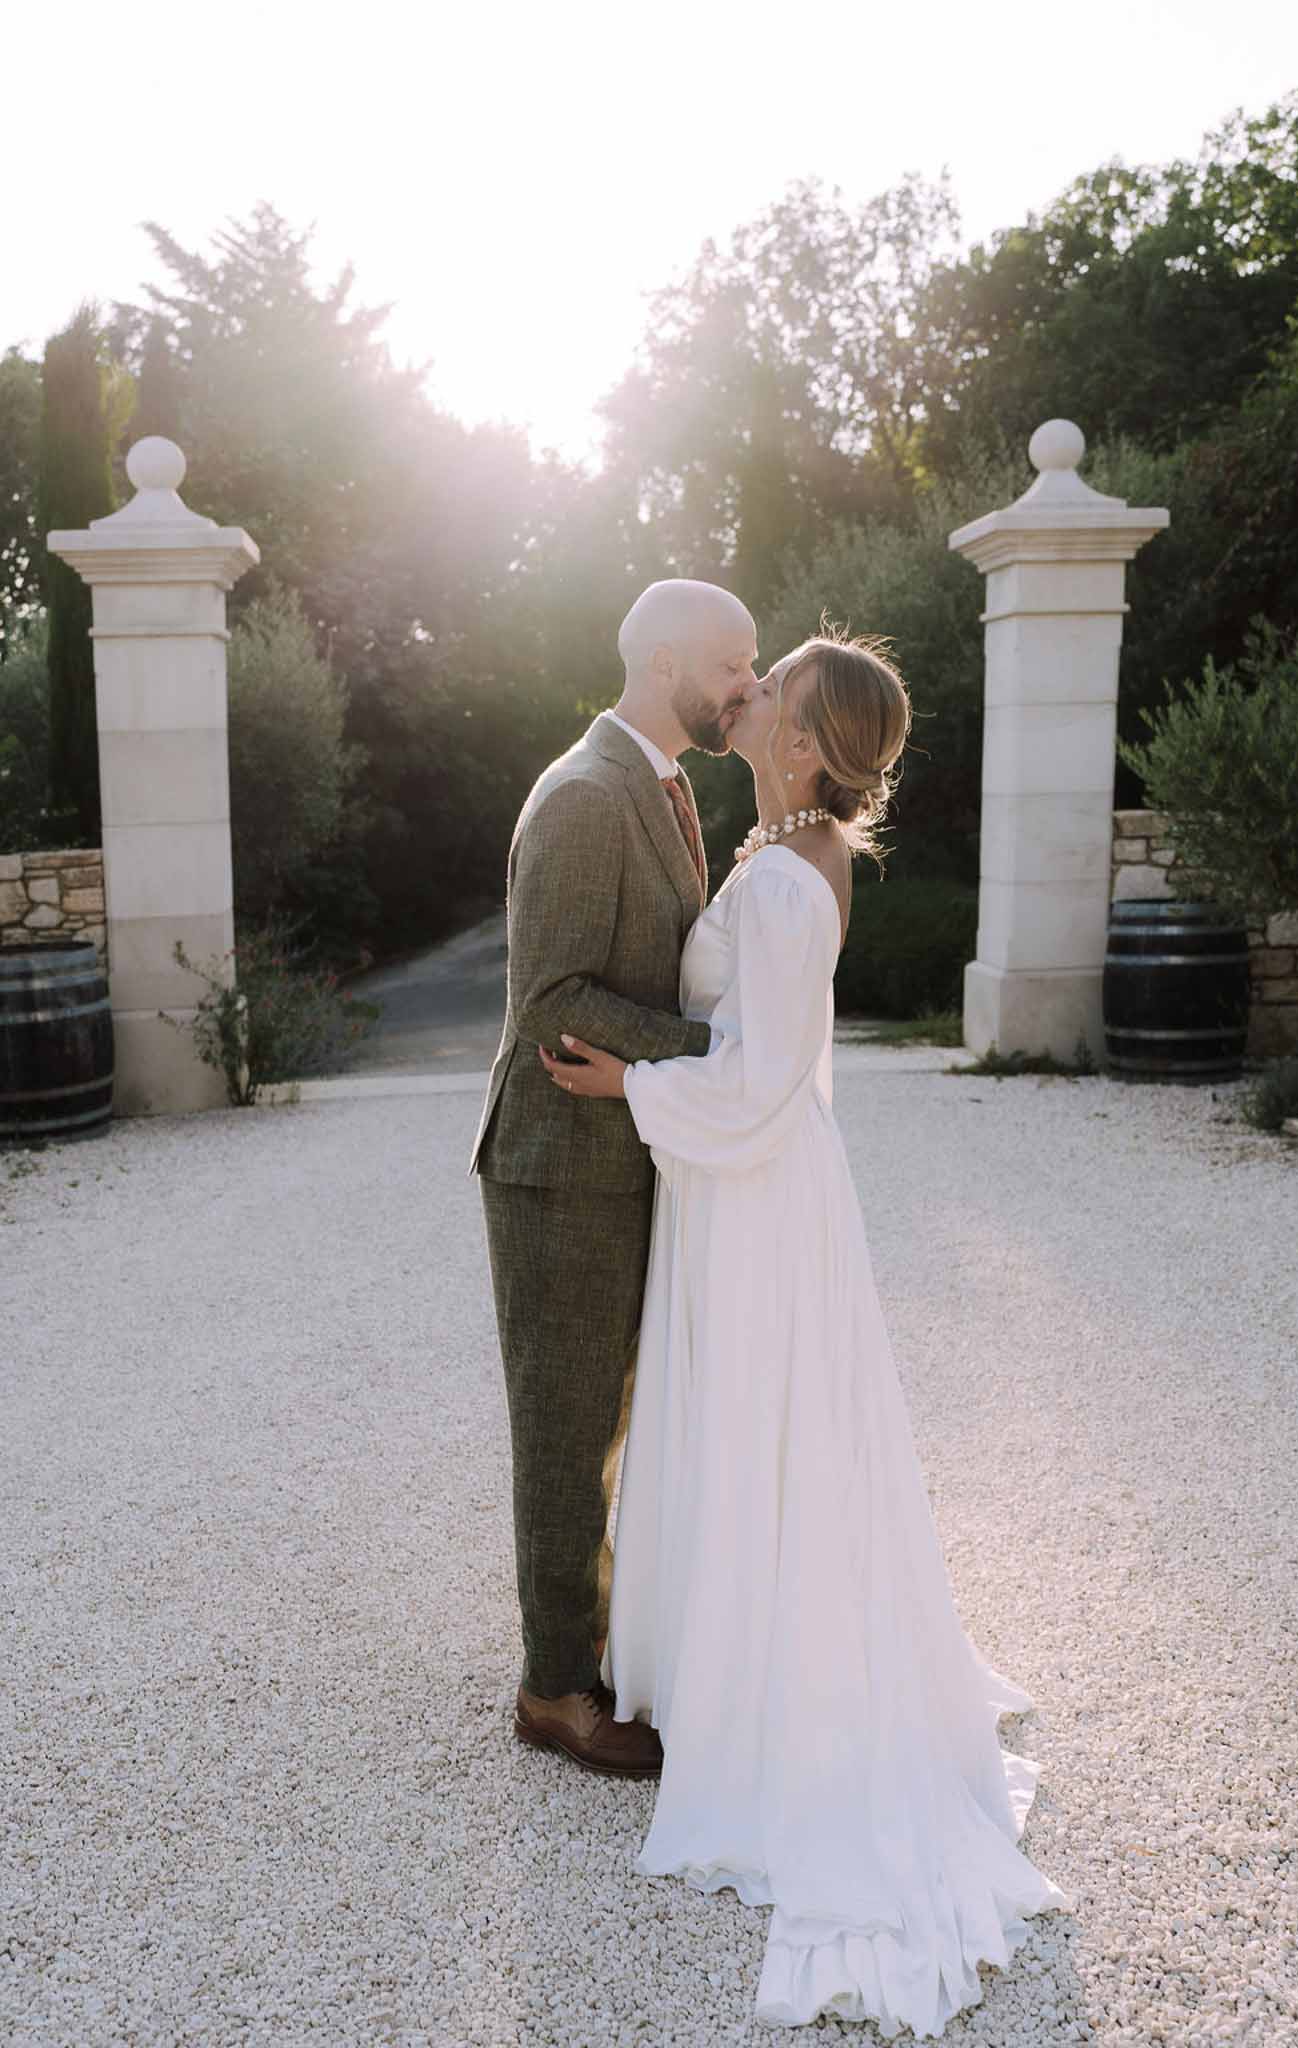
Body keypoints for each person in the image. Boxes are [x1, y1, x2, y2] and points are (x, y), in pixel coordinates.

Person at [539, 629, 1075, 2038]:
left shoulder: (783, 881)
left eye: (768, 684)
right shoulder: (784, 857)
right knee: (762, 1431)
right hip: (764, 1196)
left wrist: (626, 1091)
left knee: (760, 1426)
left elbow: (763, 1080)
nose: (747, 688)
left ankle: (769, 1693)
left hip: (761, 1197)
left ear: (800, 740)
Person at [470, 577, 757, 1776]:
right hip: (560, 1168)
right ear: (665, 661)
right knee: (566, 1427)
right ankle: (553, 1690)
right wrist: (720, 1050)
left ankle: (594, 1644)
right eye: (734, 661)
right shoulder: (590, 795)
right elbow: (552, 996)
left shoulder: (664, 783)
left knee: (617, 1416)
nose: (749, 682)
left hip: (621, 1149)